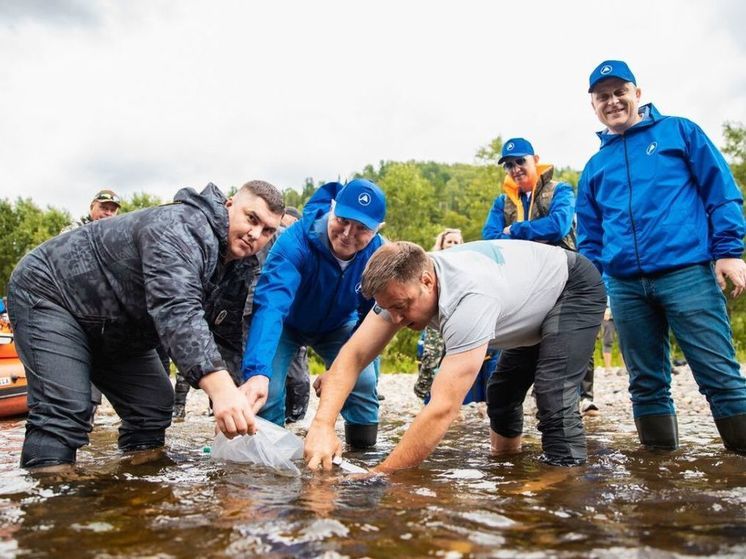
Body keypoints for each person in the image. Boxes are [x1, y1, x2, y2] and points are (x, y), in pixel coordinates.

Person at [7, 181, 284, 470]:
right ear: (229, 205)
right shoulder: (181, 226)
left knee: (153, 405)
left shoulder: (241, 266)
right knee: (65, 411)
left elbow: (225, 335)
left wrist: (235, 400)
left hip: (121, 326)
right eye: (251, 218)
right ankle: (51, 499)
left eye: (267, 231)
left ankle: (138, 488)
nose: (255, 235)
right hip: (54, 296)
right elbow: (177, 308)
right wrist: (220, 389)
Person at [305, 240, 606, 471]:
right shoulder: (399, 289)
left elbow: (443, 408)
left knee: (553, 392)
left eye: (402, 306)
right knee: (500, 393)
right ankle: (506, 467)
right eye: (389, 308)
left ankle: (565, 481)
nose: (395, 320)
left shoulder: (468, 299)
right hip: (529, 299)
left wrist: (382, 475)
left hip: (572, 286)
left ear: (427, 281)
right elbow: (354, 355)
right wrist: (322, 424)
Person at [577, 59, 746, 454]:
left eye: (620, 92)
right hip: (624, 287)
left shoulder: (679, 132)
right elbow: (590, 238)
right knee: (646, 383)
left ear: (638, 93)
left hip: (686, 273)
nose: (613, 101)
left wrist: (728, 252)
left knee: (719, 374)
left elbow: (720, 191)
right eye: (603, 97)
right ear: (594, 106)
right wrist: (595, 288)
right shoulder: (594, 167)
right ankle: (658, 478)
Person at [240, 179, 387, 448]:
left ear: (377, 229)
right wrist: (257, 372)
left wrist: (343, 367)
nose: (347, 234)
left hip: (340, 325)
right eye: (342, 220)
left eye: (362, 228)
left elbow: (374, 319)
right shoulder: (293, 242)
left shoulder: (379, 253)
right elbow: (271, 307)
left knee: (363, 382)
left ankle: (365, 454)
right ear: (332, 210)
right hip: (287, 323)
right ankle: (267, 457)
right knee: (268, 389)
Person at [483, 138, 597, 416]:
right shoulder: (502, 202)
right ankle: (528, 399)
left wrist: (516, 230)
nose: (515, 169)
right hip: (523, 284)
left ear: (535, 159)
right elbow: (489, 237)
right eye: (509, 165)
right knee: (523, 341)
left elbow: (557, 226)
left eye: (520, 161)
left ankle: (583, 396)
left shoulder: (561, 190)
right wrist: (533, 233)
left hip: (564, 280)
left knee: (570, 334)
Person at [60, 189, 125, 425]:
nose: (107, 213)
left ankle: (87, 427)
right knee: (76, 389)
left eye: (112, 209)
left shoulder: (120, 239)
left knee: (92, 393)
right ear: (92, 207)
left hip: (104, 323)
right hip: (71, 316)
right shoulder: (72, 232)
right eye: (103, 207)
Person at [413, 228, 499, 405]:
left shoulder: (467, 263)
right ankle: (425, 397)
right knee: (431, 357)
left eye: (456, 242)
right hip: (435, 320)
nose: (452, 245)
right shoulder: (428, 262)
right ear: (442, 244)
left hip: (459, 318)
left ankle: (458, 401)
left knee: (460, 359)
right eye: (449, 242)